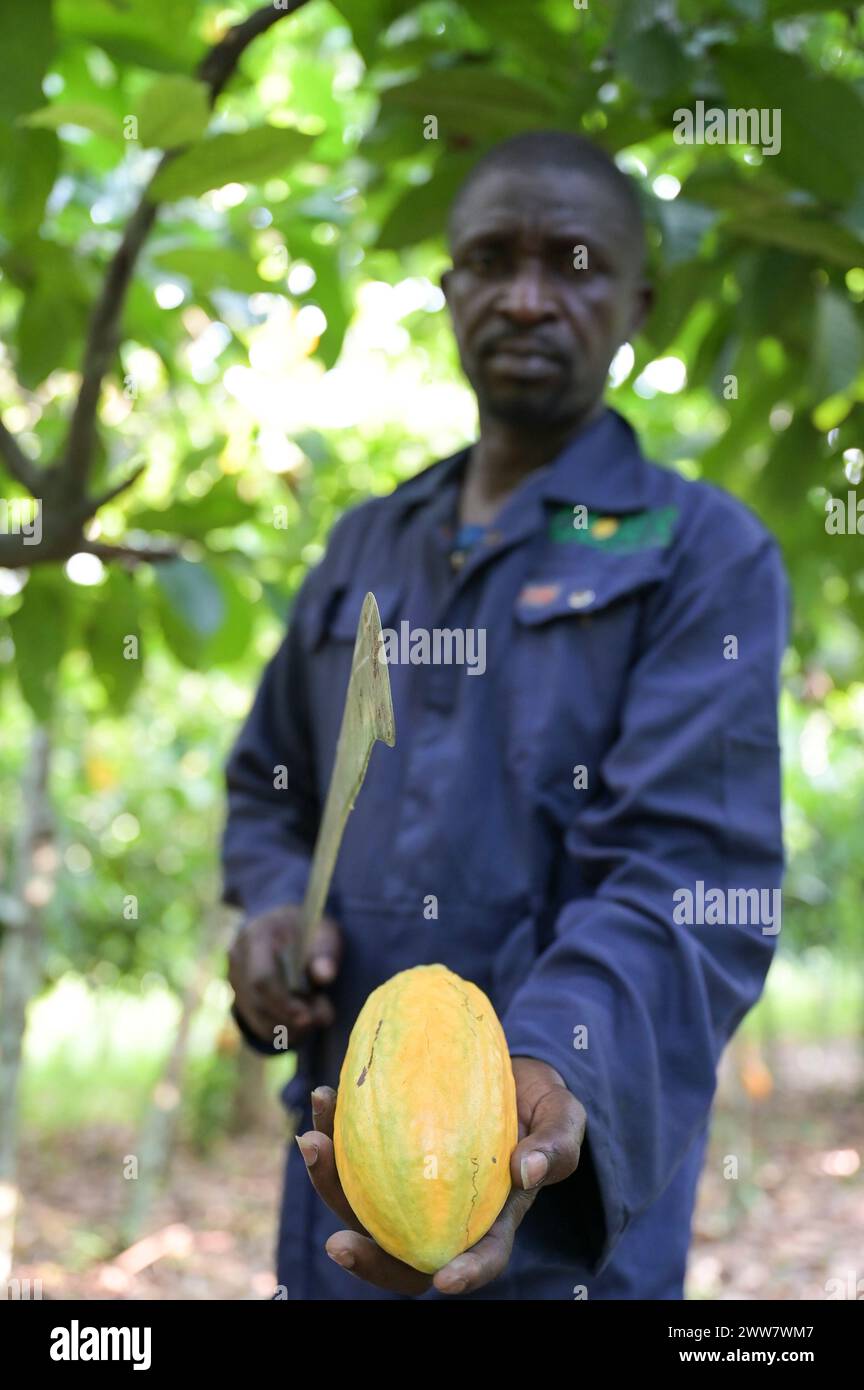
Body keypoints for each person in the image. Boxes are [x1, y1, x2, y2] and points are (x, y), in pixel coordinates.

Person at [222, 131, 788, 1300]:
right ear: (450, 289)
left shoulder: (700, 554)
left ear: (637, 300)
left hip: (558, 1178)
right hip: (347, 1166)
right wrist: (278, 906)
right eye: (493, 259)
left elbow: (690, 875)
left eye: (573, 264)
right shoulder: (365, 547)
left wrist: (552, 1064)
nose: (529, 296)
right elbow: (269, 781)